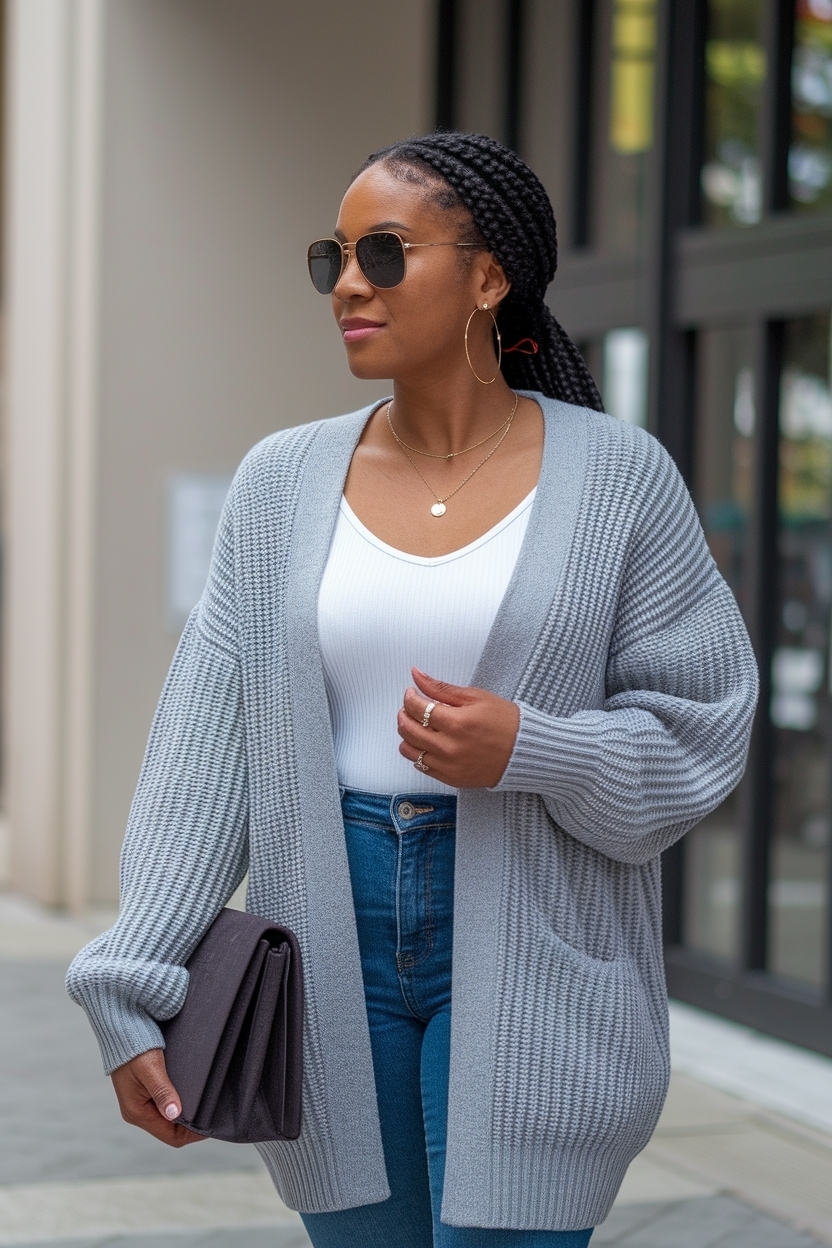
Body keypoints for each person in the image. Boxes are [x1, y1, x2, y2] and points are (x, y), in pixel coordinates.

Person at [67, 131, 758, 1247]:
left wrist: (534, 747)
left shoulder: (618, 477)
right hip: (323, 925)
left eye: (383, 254)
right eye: (331, 258)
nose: (347, 283)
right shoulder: (279, 480)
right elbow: (202, 753)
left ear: (490, 276)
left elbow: (700, 731)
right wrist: (130, 983)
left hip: (541, 945)